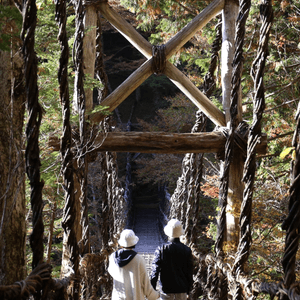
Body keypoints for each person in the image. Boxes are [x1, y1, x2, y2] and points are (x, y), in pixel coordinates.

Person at [108, 229, 160, 300]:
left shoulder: (112, 258)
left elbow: (111, 272)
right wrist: (155, 295)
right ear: (134, 243)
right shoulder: (138, 259)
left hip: (118, 297)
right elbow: (145, 283)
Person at [150, 219, 193, 300]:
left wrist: (152, 289)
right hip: (182, 289)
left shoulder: (161, 249)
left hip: (166, 289)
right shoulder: (187, 250)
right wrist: (188, 290)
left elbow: (155, 271)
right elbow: (189, 272)